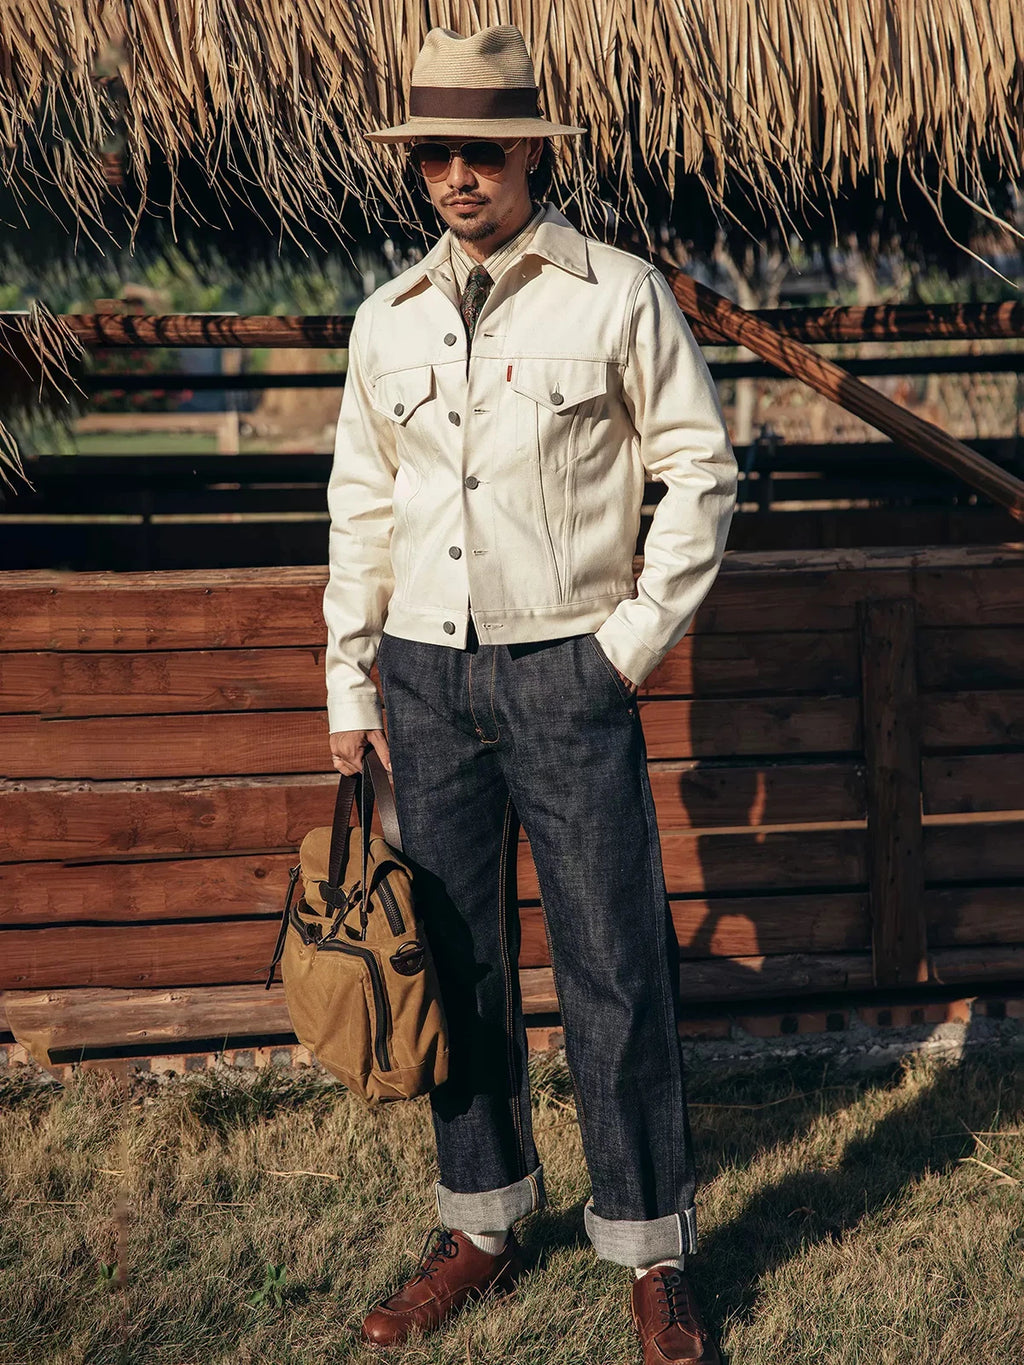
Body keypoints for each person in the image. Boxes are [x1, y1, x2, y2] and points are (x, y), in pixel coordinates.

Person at [323, 23, 736, 1365]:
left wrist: (621, 648)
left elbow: (702, 470)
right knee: (455, 962)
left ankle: (652, 1247)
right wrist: (351, 674)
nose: (456, 174)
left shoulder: (615, 295)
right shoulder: (382, 319)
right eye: (433, 151)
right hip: (426, 680)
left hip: (570, 669)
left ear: (533, 152)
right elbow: (359, 508)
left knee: (614, 964)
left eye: (481, 149)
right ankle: (484, 1219)